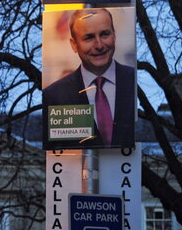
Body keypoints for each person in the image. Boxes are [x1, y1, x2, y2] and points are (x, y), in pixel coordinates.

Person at [42, 8, 135, 149]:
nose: (99, 45)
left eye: (105, 34)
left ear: (114, 36)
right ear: (74, 45)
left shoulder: (134, 81)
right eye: (89, 38)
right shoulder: (55, 96)